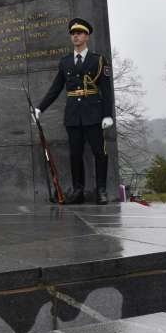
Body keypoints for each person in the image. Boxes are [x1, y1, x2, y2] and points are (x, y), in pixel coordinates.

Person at [35, 17, 114, 205]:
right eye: (72, 34)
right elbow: (56, 88)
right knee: (75, 154)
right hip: (73, 115)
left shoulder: (99, 60)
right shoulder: (66, 62)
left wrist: (107, 114)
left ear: (87, 36)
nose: (75, 36)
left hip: (94, 114)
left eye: (79, 33)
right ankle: (78, 190)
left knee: (99, 153)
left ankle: (101, 190)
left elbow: (106, 90)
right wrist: (40, 108)